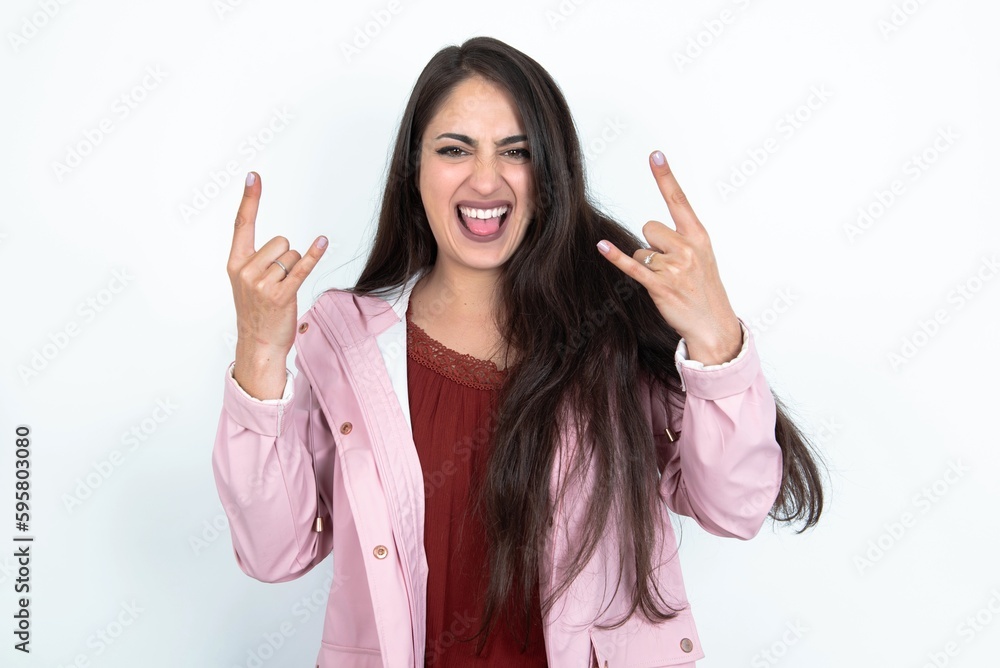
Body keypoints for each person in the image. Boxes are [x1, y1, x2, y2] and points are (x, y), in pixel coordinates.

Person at [213, 36, 824, 668]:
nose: (485, 178)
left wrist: (715, 334)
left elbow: (737, 507)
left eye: (517, 152)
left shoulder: (612, 324)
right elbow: (273, 553)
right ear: (414, 168)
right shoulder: (342, 338)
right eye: (454, 149)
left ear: (550, 173)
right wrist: (259, 355)